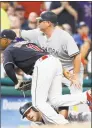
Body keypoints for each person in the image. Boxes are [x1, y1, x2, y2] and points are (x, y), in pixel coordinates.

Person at [0, 29, 91, 125]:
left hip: (42, 65)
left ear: (6, 39)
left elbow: (8, 67)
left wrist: (16, 82)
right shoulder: (28, 44)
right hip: (54, 62)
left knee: (37, 104)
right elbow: (47, 56)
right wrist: (64, 71)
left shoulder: (9, 48)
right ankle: (86, 96)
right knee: (55, 100)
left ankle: (63, 124)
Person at [14, 11, 84, 118]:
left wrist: (75, 76)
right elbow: (17, 32)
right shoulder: (38, 33)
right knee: (48, 99)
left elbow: (77, 56)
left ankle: (82, 115)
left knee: (78, 98)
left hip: (70, 69)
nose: (38, 22)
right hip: (55, 70)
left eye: (40, 20)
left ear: (48, 23)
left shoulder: (64, 36)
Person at [19, 102, 91, 126]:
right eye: (25, 116)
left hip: (83, 119)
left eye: (28, 111)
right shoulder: (35, 125)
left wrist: (62, 118)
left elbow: (62, 102)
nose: (28, 115)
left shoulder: (47, 109)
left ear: (34, 108)